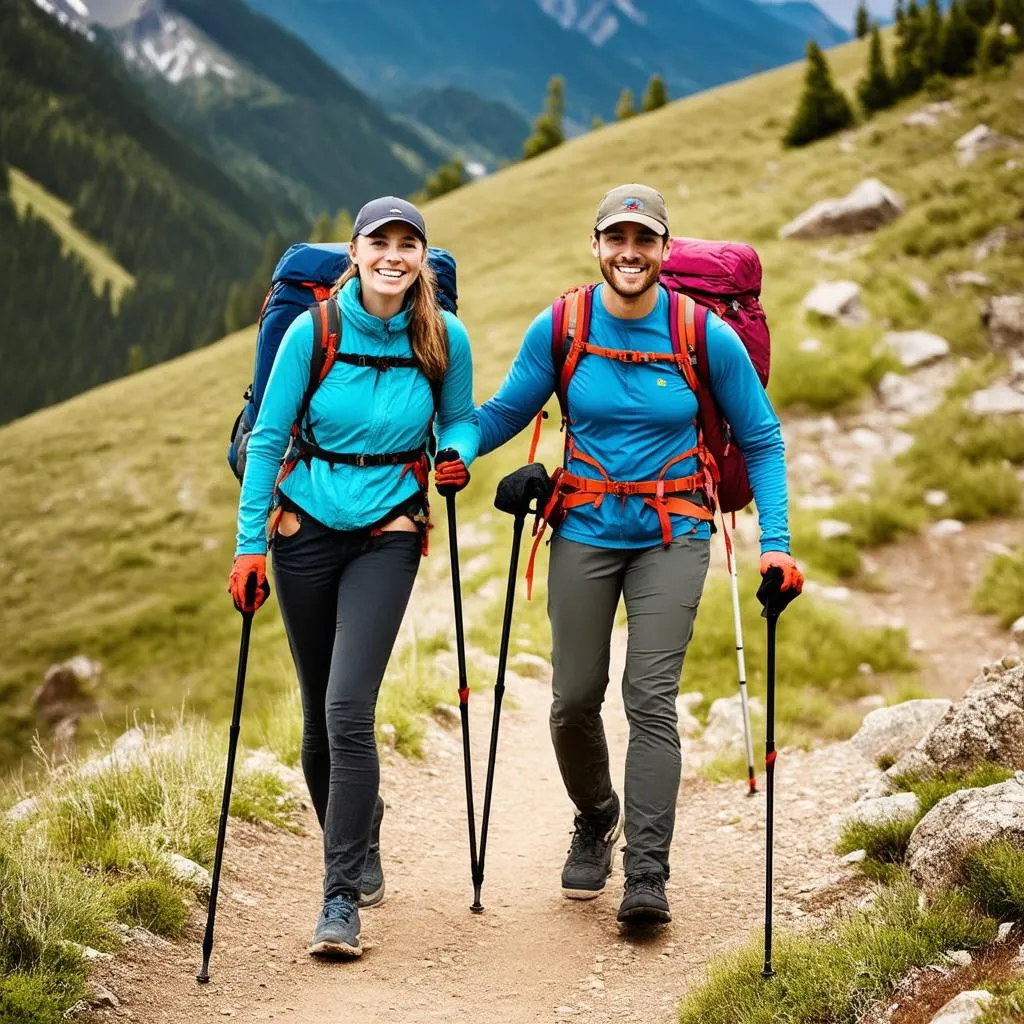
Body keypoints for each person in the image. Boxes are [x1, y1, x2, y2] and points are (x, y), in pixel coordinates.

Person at [478, 184, 803, 925]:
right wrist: (455, 452)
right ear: (595, 245)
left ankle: (647, 876)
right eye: (616, 237)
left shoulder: (699, 332)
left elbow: (762, 437)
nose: (630, 251)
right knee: (571, 701)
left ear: (663, 248)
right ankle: (596, 815)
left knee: (649, 699)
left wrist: (776, 545)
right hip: (585, 528)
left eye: (644, 239)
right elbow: (503, 411)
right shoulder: (562, 325)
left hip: (674, 533)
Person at [228, 196, 478, 958]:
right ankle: (360, 836)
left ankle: (338, 900)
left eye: (409, 244)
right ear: (357, 251)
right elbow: (268, 439)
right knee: (315, 716)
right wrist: (248, 548)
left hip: (388, 535)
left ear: (421, 257)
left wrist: (456, 451)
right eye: (381, 242)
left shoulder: (444, 335)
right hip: (302, 531)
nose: (394, 256)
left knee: (347, 708)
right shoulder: (314, 331)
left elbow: (461, 416)